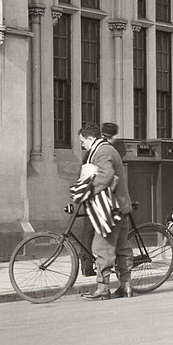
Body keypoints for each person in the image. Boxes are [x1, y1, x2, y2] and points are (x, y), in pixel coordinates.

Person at [73, 122, 133, 300]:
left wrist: (85, 191)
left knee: (102, 247)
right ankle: (126, 286)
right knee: (121, 247)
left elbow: (105, 176)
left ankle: (103, 288)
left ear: (91, 139)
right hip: (120, 206)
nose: (82, 145)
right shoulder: (107, 149)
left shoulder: (102, 151)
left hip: (110, 208)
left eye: (83, 141)